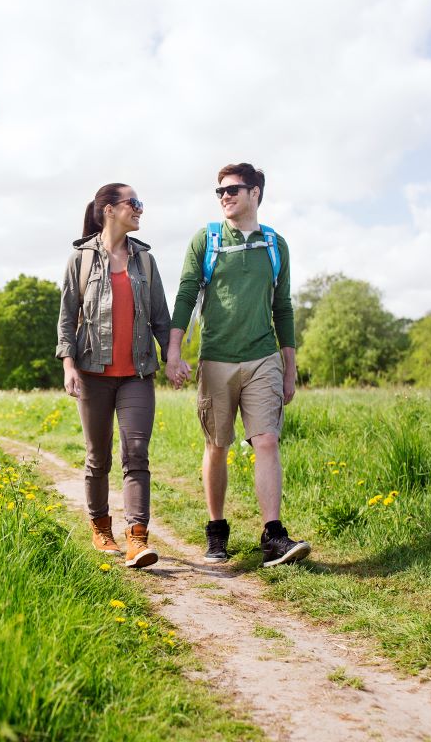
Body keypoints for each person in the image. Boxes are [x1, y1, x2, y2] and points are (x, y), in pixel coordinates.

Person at [165, 163, 310, 567]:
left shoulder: (274, 245)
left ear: (256, 194)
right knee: (217, 445)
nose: (225, 196)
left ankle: (274, 535)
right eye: (220, 191)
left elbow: (283, 307)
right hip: (216, 359)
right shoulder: (207, 239)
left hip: (263, 356)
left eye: (233, 190)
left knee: (266, 440)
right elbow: (186, 294)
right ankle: (216, 532)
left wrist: (289, 366)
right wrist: (174, 352)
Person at [56, 183, 172, 569]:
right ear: (109, 210)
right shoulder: (81, 259)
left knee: (136, 454)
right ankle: (100, 527)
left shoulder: (145, 261)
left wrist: (172, 356)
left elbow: (160, 316)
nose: (140, 209)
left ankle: (137, 539)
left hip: (137, 373)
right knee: (97, 457)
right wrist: (68, 365)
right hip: (92, 373)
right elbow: (67, 318)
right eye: (134, 203)